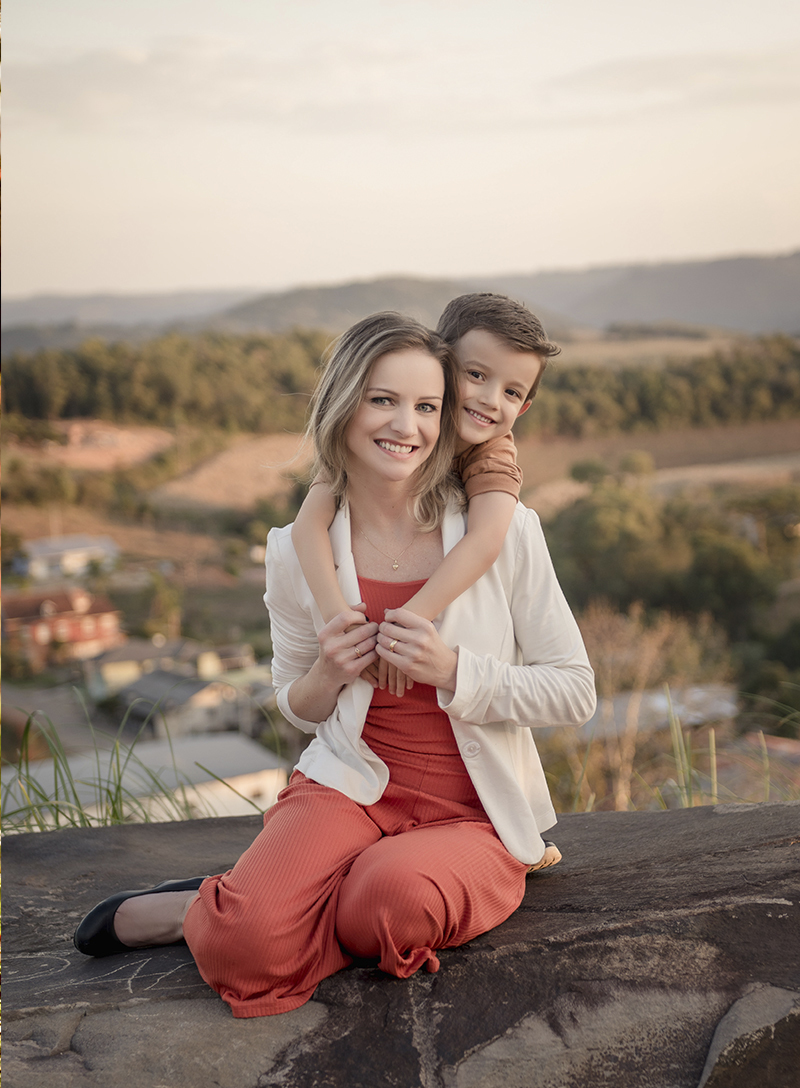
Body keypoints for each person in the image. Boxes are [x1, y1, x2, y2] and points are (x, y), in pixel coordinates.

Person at [74, 311, 596, 1019]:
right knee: (242, 950)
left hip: (472, 814)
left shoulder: (503, 529)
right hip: (351, 786)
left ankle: (235, 900)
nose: (406, 426)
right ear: (343, 402)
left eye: (425, 406)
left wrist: (453, 670)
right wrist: (326, 673)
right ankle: (230, 908)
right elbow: (294, 701)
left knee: (391, 906)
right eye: (383, 399)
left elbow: (574, 692)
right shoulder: (298, 550)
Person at [290, 292, 560, 697]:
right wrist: (340, 618)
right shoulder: (374, 444)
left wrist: (411, 621)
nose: (489, 399)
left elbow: (486, 540)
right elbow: (308, 523)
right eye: (477, 375)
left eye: (511, 392)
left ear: (523, 408)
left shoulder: (493, 452)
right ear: (441, 366)